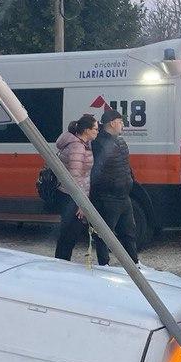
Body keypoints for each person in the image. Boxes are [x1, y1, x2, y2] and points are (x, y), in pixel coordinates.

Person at [90, 108, 139, 265]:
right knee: (105, 233)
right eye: (120, 122)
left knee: (129, 231)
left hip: (124, 195)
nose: (123, 124)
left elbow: (126, 165)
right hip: (108, 197)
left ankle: (134, 263)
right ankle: (104, 264)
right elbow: (96, 170)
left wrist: (130, 180)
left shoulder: (120, 141)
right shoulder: (99, 143)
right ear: (112, 123)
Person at [54, 115, 98, 261]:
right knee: (70, 232)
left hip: (71, 195)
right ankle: (62, 263)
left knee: (69, 232)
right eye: (95, 129)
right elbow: (75, 177)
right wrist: (81, 203)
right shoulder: (77, 147)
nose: (97, 132)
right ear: (86, 130)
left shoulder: (82, 143)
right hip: (72, 197)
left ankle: (62, 262)